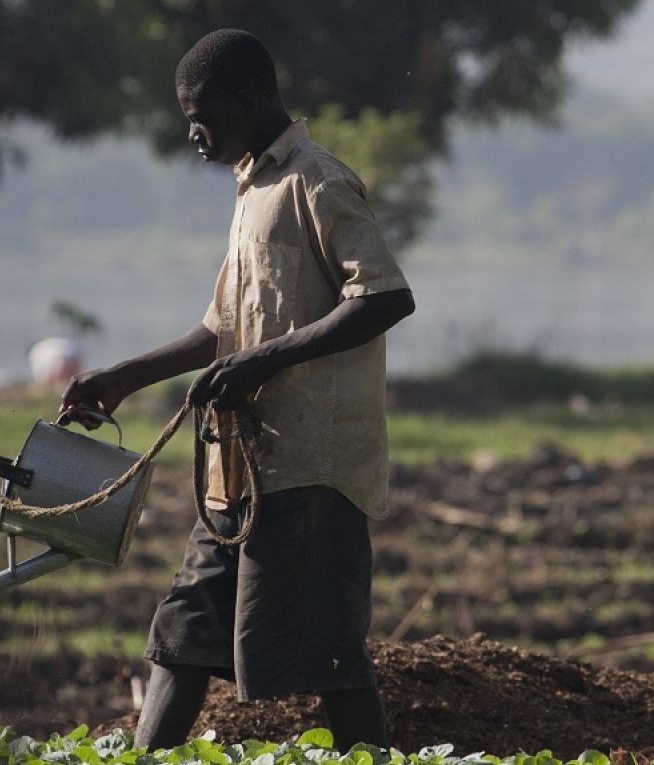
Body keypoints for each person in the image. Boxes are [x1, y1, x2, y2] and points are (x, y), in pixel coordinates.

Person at [58, 29, 415, 752]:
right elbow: (221, 329)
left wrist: (265, 361)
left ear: (248, 101)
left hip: (311, 468)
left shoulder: (317, 181)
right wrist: (120, 379)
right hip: (239, 471)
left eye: (201, 113)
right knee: (184, 631)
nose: (192, 132)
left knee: (333, 654)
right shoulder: (252, 189)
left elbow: (384, 297)